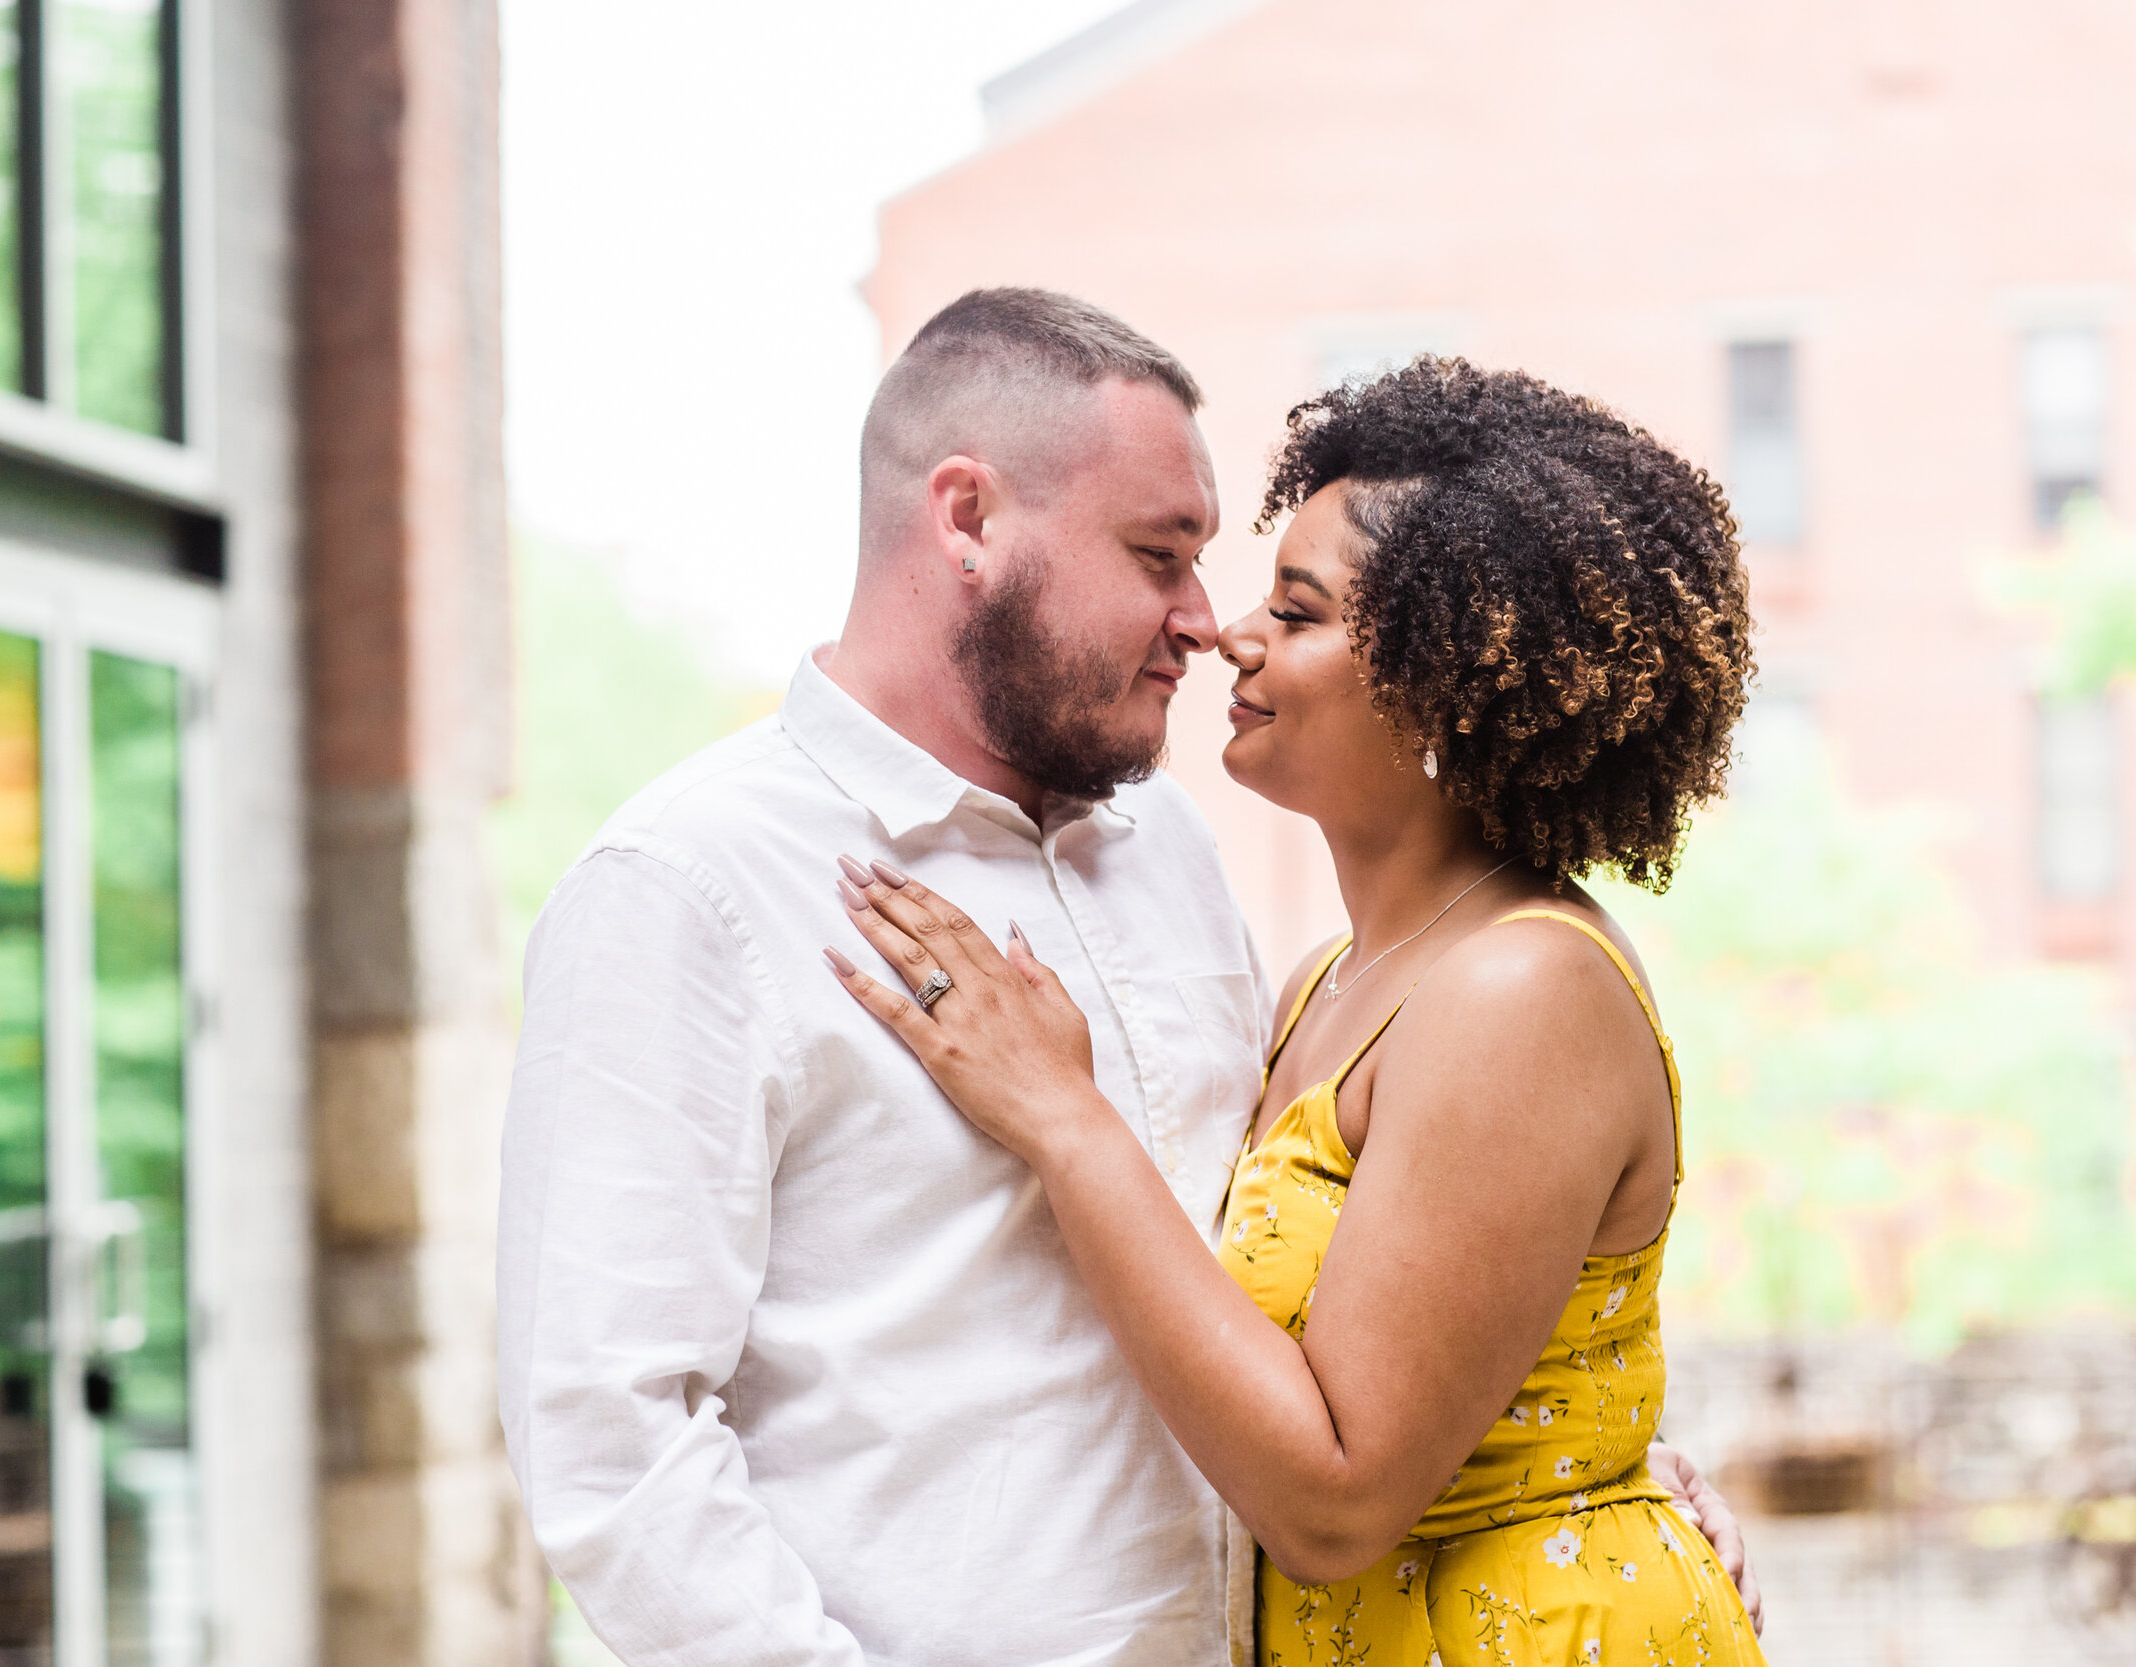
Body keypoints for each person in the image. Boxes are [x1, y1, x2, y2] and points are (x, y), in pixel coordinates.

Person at [498, 291, 1754, 1667]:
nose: (1206, 624)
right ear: (969, 520)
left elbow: (1370, 1303)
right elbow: (611, 1443)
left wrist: (1573, 1461)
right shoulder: (692, 886)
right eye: (1162, 556)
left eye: (1253, 585)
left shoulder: (1168, 852)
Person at [825, 356, 1765, 1665]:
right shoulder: (1330, 983)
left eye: (1300, 611)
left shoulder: (1521, 985)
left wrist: (1061, 1115)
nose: (1227, 635)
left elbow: (1336, 1497)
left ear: (1449, 677)